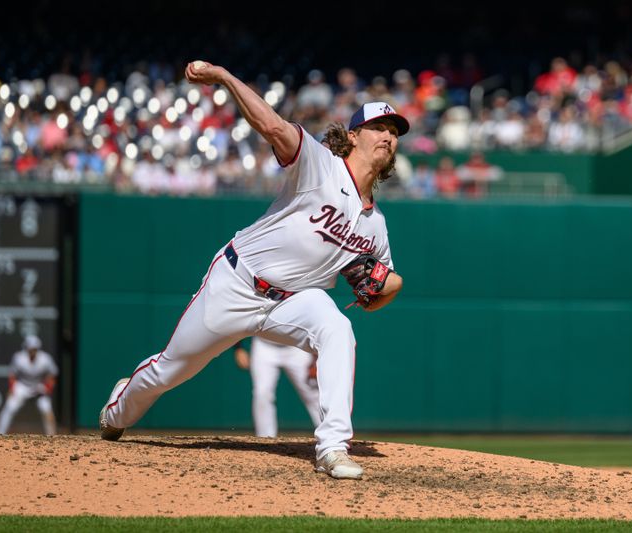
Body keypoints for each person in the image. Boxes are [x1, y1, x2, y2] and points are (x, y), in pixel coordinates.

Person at [98, 59, 407, 480]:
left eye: (394, 132)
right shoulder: (320, 165)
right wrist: (225, 78)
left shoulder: (377, 227)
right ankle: (117, 411)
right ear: (353, 136)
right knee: (171, 369)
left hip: (296, 301)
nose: (388, 137)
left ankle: (333, 447)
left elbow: (370, 296)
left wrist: (390, 288)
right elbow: (276, 128)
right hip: (238, 282)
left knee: (337, 329)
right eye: (380, 128)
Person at [233, 338, 321, 438]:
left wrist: (315, 353)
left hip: (296, 346)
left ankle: (330, 438)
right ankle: (265, 440)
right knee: (262, 394)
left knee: (313, 395)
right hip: (264, 346)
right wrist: (238, 348)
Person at [0, 335, 58, 435]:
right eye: (31, 348)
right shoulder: (19, 358)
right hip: (22, 386)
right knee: (10, 407)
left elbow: (52, 375)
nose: (33, 351)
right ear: (26, 348)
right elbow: (12, 375)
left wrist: (48, 388)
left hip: (38, 386)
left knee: (46, 410)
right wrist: (11, 389)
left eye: (35, 349)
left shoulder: (45, 359)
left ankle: (52, 436)